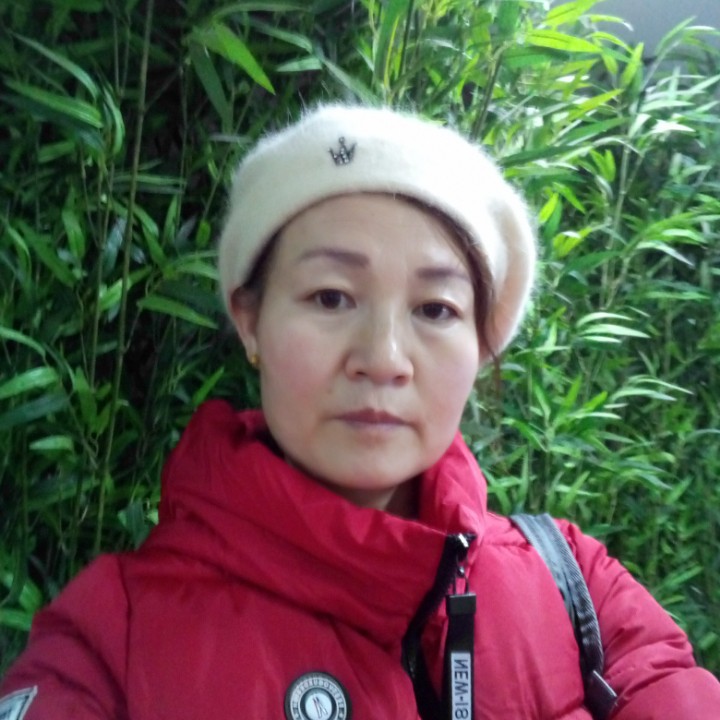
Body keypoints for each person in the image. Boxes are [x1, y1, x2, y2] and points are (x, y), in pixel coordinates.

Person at [1, 104, 718, 720]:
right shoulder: (114, 642)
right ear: (249, 322)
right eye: (331, 297)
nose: (383, 357)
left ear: (481, 345)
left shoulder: (575, 586)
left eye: (436, 309)